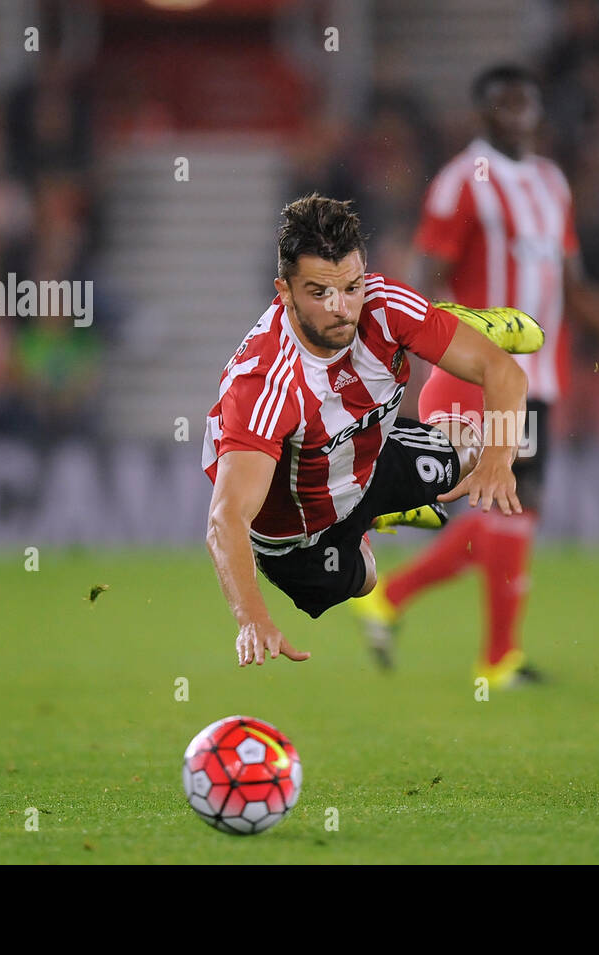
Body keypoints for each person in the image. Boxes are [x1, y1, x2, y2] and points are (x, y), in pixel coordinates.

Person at [351, 63, 599, 688]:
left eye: (526, 100)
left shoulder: (553, 182)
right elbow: (421, 280)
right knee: (507, 507)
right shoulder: (459, 184)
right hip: (480, 371)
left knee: (513, 512)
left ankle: (394, 598)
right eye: (503, 102)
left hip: (543, 375)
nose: (518, 112)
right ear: (482, 112)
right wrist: (397, 355)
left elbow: (573, 283)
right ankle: (497, 658)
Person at [203, 194, 542, 666]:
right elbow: (226, 520)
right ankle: (371, 517)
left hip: (366, 459)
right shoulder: (265, 386)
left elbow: (507, 375)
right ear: (284, 291)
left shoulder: (383, 304)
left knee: (469, 456)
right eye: (320, 293)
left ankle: (446, 328)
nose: (342, 308)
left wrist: (498, 461)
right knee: (364, 579)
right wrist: (252, 617)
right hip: (301, 535)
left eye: (352, 286)